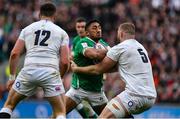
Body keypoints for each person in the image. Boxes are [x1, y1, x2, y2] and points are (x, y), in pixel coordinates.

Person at [71, 22, 157, 118]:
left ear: (121, 34)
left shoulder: (121, 47)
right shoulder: (141, 47)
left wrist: (77, 69)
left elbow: (97, 70)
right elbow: (114, 68)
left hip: (135, 95)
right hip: (151, 97)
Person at [0, 2, 69, 119]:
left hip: (29, 70)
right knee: (60, 112)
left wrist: (12, 78)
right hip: (50, 72)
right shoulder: (62, 33)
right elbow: (65, 61)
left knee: (9, 105)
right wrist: (60, 77)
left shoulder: (27, 29)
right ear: (54, 16)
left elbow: (14, 53)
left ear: (39, 15)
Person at [65, 19, 110, 116]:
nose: (98, 30)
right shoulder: (82, 42)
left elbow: (112, 61)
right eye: (94, 28)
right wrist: (110, 52)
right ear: (87, 33)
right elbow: (94, 55)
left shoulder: (103, 43)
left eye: (99, 28)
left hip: (97, 91)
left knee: (109, 117)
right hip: (78, 89)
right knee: (58, 113)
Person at [69, 17, 98, 118]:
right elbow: (72, 57)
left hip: (92, 78)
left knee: (91, 105)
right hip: (79, 78)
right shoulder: (76, 40)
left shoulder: (93, 40)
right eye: (78, 27)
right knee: (79, 103)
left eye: (82, 27)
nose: (80, 29)